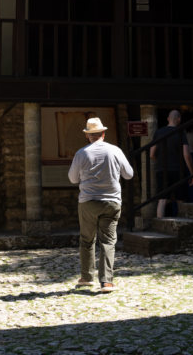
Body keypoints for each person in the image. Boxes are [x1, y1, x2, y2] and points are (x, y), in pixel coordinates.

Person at [67, 117, 134, 293]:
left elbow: (73, 179)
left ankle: (87, 277)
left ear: (88, 136)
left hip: (88, 202)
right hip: (112, 201)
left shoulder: (81, 153)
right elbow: (129, 174)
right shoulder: (115, 151)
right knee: (108, 241)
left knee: (87, 240)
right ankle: (106, 282)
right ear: (103, 134)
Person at [149, 110, 193, 218]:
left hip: (162, 169)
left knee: (162, 200)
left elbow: (151, 154)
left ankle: (159, 226)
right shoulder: (180, 132)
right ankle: (183, 226)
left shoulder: (159, 132)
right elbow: (186, 155)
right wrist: (192, 172)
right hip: (178, 169)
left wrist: (160, 161)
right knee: (180, 199)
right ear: (179, 119)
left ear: (168, 119)